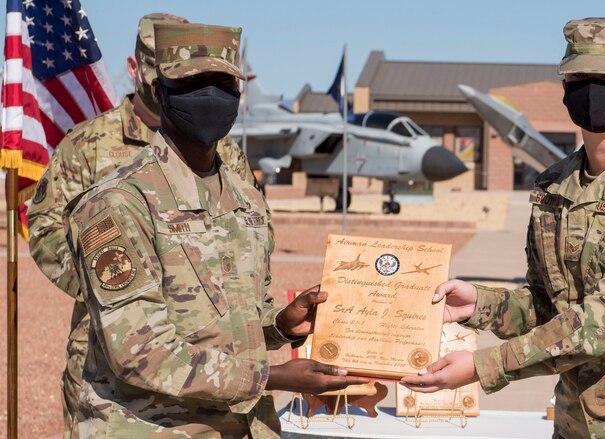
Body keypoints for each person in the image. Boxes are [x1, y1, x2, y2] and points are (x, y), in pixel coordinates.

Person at [402, 17, 605, 438]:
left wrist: (485, 365)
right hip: (577, 423)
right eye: (580, 76)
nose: (592, 89)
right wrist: (480, 305)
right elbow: (551, 306)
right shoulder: (553, 187)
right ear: (565, 88)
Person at [63, 22, 366, 437]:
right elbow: (139, 352)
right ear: (160, 91)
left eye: (224, 82)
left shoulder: (245, 197)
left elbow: (233, 317)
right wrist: (274, 378)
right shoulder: (120, 203)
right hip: (152, 427)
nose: (210, 96)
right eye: (192, 83)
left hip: (245, 427)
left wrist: (281, 325)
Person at [27, 13, 256, 437]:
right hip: (114, 363)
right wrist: (128, 288)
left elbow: (247, 235)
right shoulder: (87, 145)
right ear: (136, 68)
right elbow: (44, 231)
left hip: (212, 365)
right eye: (153, 62)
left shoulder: (224, 150)